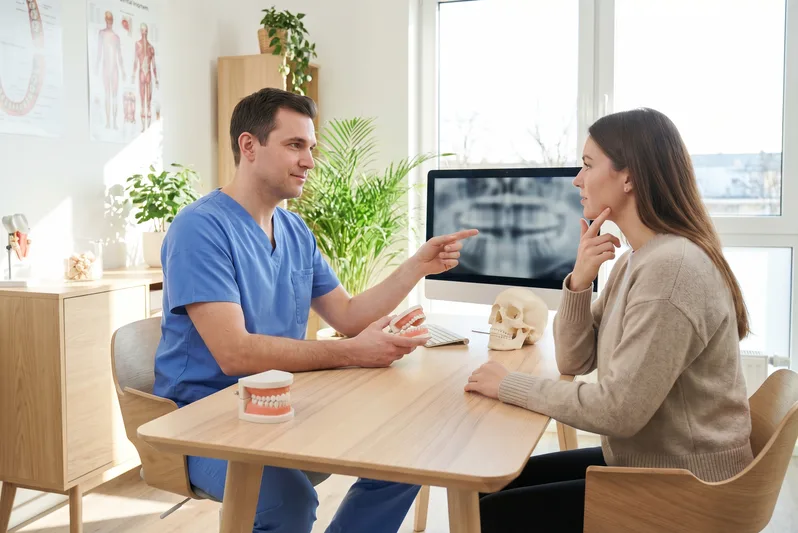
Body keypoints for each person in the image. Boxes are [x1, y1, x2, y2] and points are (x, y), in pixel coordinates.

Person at [152, 87, 477, 533]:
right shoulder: (200, 230)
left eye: (311, 148)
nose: (310, 160)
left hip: (286, 402)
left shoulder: (294, 229)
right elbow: (236, 355)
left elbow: (346, 315)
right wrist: (353, 352)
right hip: (207, 420)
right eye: (295, 145)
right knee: (288, 503)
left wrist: (417, 266)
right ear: (249, 146)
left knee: (409, 454)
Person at [464, 107, 754, 533]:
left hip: (688, 488)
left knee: (489, 513)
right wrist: (579, 281)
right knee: (485, 486)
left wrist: (509, 385)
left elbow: (619, 412)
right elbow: (574, 361)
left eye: (587, 165)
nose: (577, 180)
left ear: (629, 177)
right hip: (647, 462)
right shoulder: (637, 261)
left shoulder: (671, 269)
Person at [95, 11, 124, 129]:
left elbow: (119, 55)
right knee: (107, 94)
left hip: (115, 68)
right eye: (108, 19)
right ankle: (108, 122)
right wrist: (96, 66)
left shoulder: (116, 37)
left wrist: (123, 71)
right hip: (106, 67)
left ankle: (114, 121)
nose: (109, 21)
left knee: (114, 95)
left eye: (111, 19)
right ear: (105, 20)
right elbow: (99, 51)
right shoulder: (101, 33)